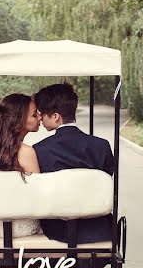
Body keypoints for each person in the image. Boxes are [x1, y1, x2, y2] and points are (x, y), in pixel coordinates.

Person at [33, 83, 115, 244]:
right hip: (99, 228)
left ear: (56, 116)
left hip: (57, 229)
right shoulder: (102, 146)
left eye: (42, 114)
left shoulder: (40, 150)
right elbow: (105, 181)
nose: (40, 118)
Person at [0, 93, 41, 175]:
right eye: (34, 115)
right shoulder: (26, 152)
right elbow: (35, 187)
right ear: (18, 120)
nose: (40, 117)